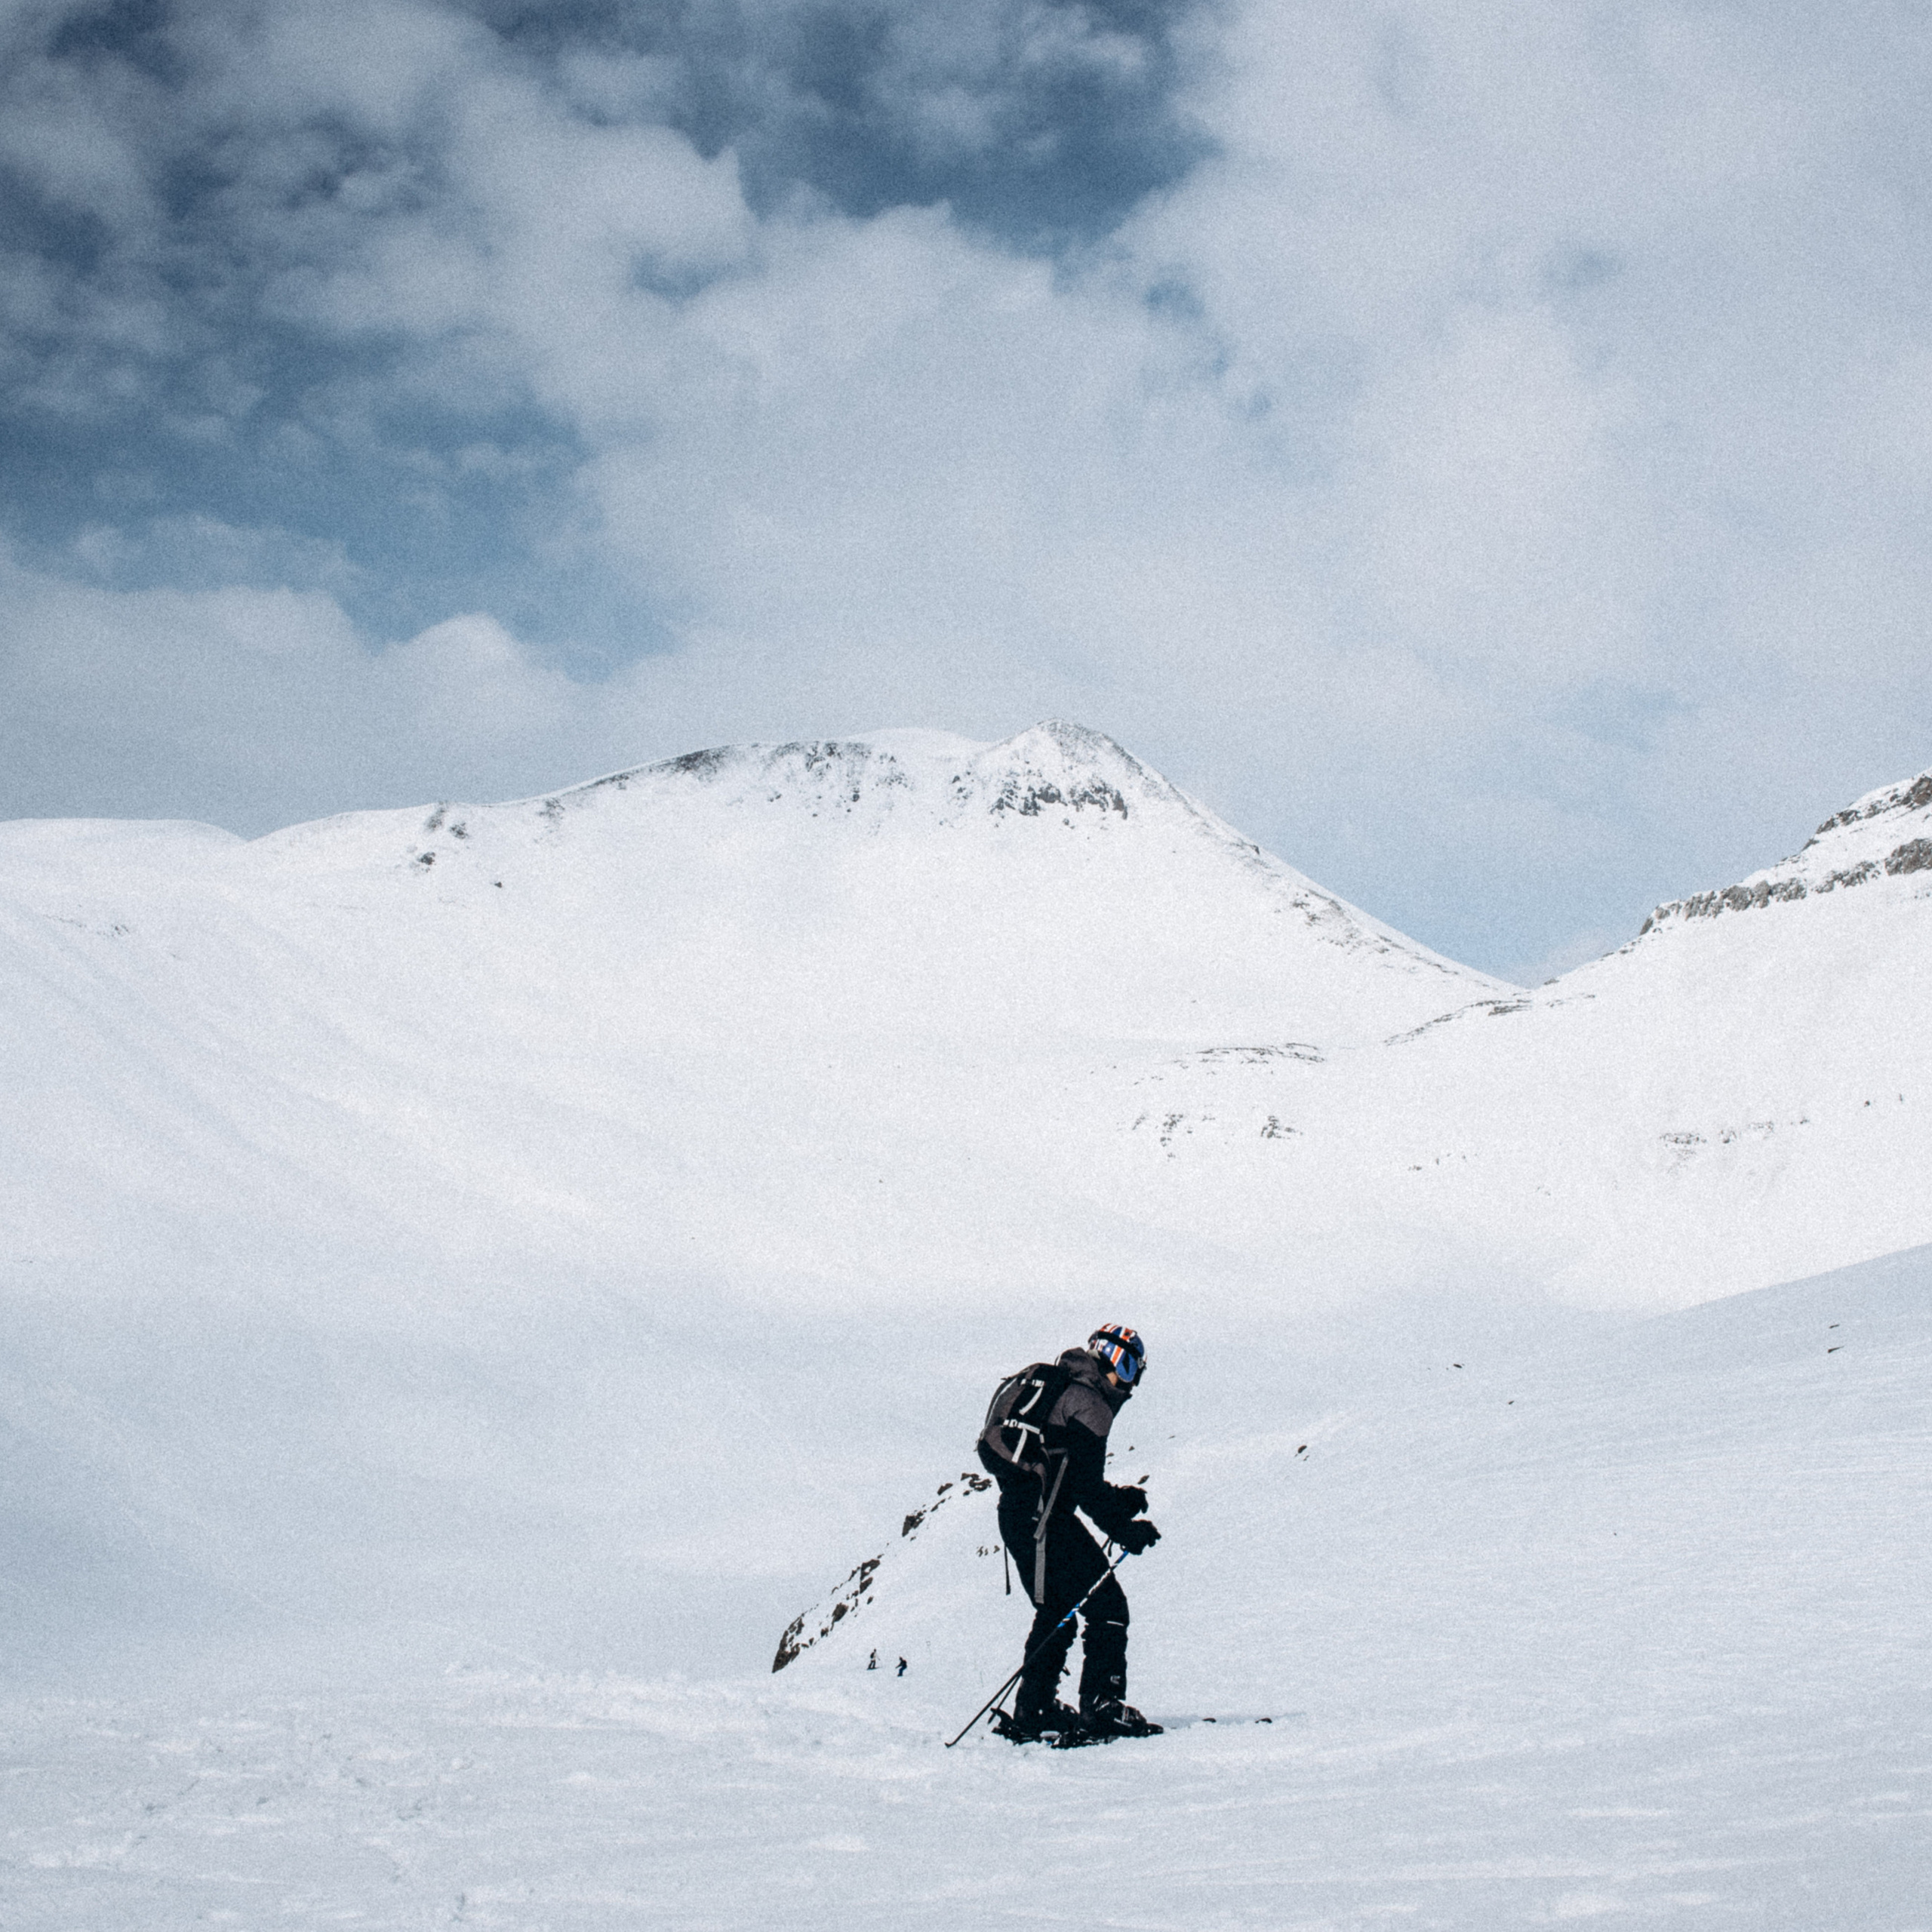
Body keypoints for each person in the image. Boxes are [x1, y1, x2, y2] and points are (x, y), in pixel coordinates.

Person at [980, 1323, 1161, 1740]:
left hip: (1020, 1515)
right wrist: (1126, 1530)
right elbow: (1085, 1488)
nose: (1126, 1379)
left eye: (1132, 1368)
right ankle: (1102, 1706)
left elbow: (1073, 1476)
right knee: (1108, 1606)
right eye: (1125, 1366)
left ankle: (1035, 1708)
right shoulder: (1091, 1403)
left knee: (1057, 1610)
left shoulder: (1062, 1386)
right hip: (1047, 1520)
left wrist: (1121, 1502)